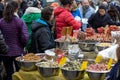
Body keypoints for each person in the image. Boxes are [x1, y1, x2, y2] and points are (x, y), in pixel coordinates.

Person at [0, 1, 29, 80]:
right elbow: (25, 37)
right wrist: (23, 45)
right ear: (16, 9)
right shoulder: (19, 21)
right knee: (19, 74)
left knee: (9, 74)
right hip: (18, 51)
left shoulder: (1, 22)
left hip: (5, 52)